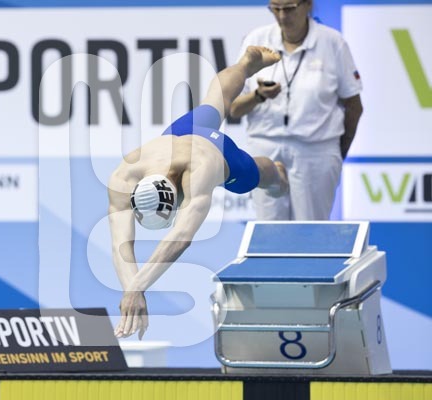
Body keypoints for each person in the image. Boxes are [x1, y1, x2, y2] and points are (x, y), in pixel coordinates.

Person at [108, 46, 289, 339]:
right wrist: (133, 291)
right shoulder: (123, 177)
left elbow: (180, 237)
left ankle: (279, 173)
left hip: (217, 152)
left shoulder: (200, 170)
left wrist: (137, 288)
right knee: (215, 99)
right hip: (180, 134)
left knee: (263, 177)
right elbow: (121, 245)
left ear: (176, 197)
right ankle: (245, 64)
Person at [229, 0, 363, 220]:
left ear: (307, 5)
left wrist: (338, 153)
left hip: (316, 150)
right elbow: (233, 108)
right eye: (275, 8)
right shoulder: (256, 40)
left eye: (289, 8)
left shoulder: (332, 42)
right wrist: (258, 95)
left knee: (311, 231)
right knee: (269, 230)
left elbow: (354, 106)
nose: (282, 16)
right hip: (266, 147)